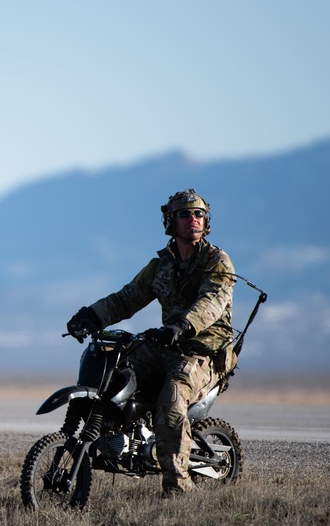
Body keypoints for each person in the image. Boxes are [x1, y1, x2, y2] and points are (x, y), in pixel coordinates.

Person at [66, 189, 236, 497]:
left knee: (171, 401)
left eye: (199, 214)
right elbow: (128, 298)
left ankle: (178, 489)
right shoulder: (162, 265)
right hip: (167, 347)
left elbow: (211, 303)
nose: (193, 220)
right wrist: (91, 315)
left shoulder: (217, 261)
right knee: (115, 373)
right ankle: (118, 443)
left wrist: (181, 326)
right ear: (171, 221)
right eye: (185, 214)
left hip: (202, 353)